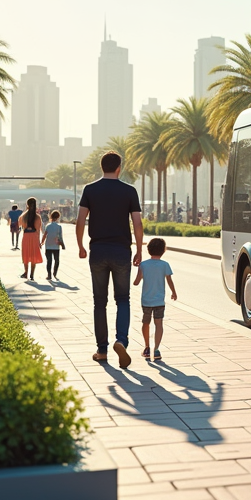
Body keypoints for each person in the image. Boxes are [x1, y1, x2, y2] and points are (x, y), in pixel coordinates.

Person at [76, 150, 143, 369]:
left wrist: (80, 246)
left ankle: (102, 350)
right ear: (119, 168)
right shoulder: (129, 191)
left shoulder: (90, 190)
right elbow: (137, 223)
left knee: (99, 302)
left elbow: (80, 221)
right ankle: (121, 340)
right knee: (123, 299)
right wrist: (139, 250)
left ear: (101, 166)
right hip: (121, 251)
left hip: (98, 250)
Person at [133, 237, 177, 361]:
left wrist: (138, 272)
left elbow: (136, 282)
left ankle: (147, 347)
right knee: (159, 324)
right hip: (159, 301)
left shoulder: (144, 265)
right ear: (163, 250)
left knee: (145, 323)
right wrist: (173, 292)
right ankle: (156, 349)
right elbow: (169, 281)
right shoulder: (165, 265)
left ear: (148, 250)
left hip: (146, 301)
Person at [19, 197, 43, 280]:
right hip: (34, 236)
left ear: (27, 205)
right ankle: (32, 274)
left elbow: (20, 225)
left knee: (25, 254)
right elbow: (38, 230)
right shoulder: (38, 217)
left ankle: (26, 273)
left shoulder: (23, 216)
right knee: (33, 255)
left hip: (26, 236)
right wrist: (39, 242)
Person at [42, 210, 65, 279]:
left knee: (49, 261)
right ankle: (55, 273)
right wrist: (62, 245)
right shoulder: (59, 227)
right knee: (57, 260)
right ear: (58, 217)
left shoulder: (48, 226)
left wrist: (41, 242)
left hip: (48, 245)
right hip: (56, 246)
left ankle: (49, 274)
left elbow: (45, 235)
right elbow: (60, 237)